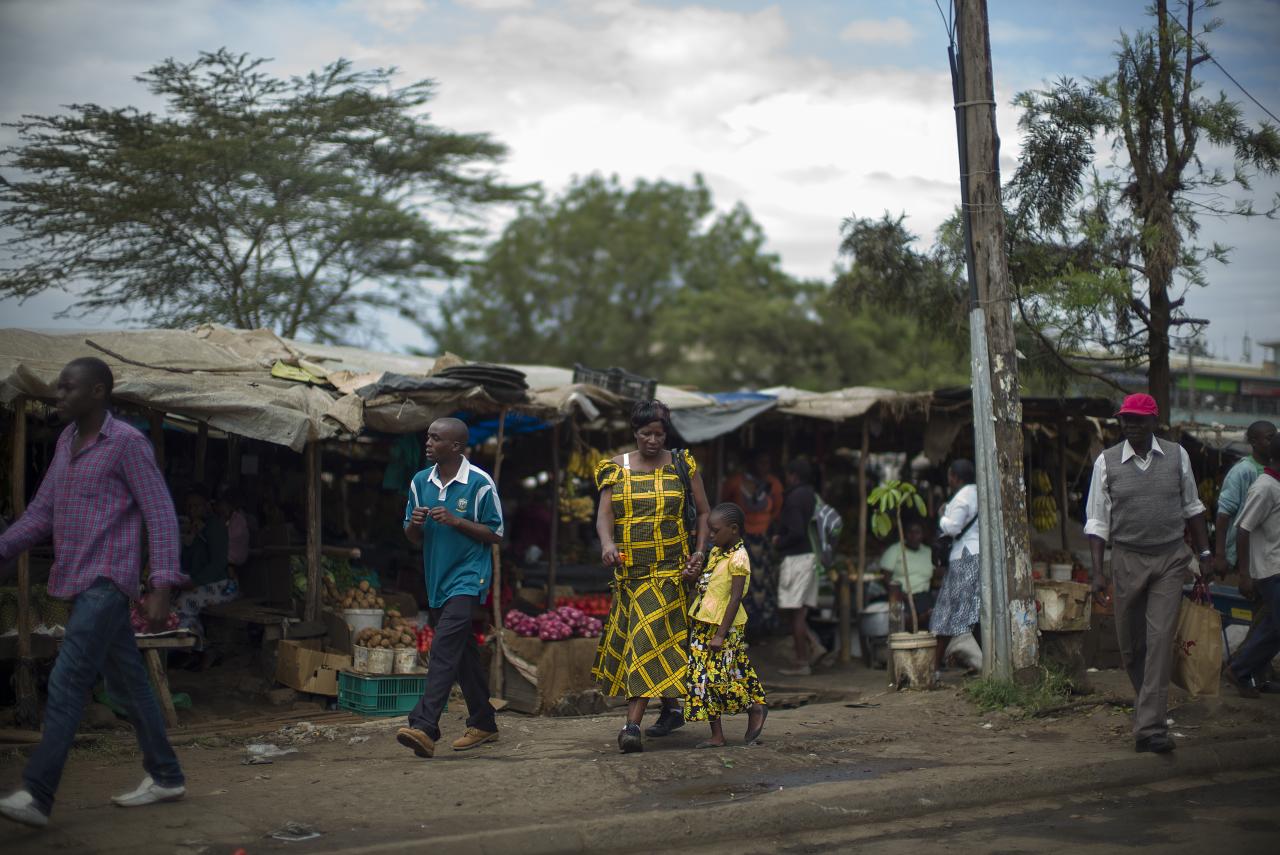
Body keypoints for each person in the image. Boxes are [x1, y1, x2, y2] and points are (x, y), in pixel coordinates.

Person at [0, 358, 188, 829]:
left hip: (107, 581)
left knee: (66, 681)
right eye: (58, 388)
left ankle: (38, 795)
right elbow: (40, 515)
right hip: (77, 579)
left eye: (68, 388)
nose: (58, 395)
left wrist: (161, 585)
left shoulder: (126, 444)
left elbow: (161, 513)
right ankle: (166, 774)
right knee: (131, 683)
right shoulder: (65, 443)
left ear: (98, 392)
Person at [1085, 393, 1212, 754]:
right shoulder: (1106, 463)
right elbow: (1097, 521)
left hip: (1170, 558)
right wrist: (1097, 572)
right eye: (1127, 419)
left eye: (1139, 420)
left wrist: (1203, 553)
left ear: (1154, 422)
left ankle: (1150, 727)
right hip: (1127, 559)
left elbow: (1192, 506)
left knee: (1159, 640)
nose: (1131, 425)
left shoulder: (1176, 456)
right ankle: (1148, 709)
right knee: (1131, 644)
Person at [594, 399, 710, 753]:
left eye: (659, 434)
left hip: (671, 573)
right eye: (646, 433)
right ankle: (672, 708)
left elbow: (704, 513)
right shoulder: (615, 468)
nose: (653, 440)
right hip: (630, 575)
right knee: (653, 643)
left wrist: (700, 553)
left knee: (645, 643)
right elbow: (605, 516)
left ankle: (631, 726)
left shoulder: (682, 464)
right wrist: (607, 544)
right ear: (635, 432)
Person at [395, 418, 504, 759]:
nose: (427, 442)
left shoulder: (480, 483)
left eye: (436, 438)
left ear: (456, 447)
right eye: (427, 436)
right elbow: (412, 536)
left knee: (443, 647)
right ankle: (484, 721)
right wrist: (414, 525)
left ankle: (425, 725)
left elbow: (497, 532)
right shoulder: (418, 482)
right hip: (437, 578)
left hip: (469, 577)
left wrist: (457, 521)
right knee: (463, 655)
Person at [684, 503, 767, 748]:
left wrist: (721, 634)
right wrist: (691, 578)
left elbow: (735, 597)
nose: (709, 535)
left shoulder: (739, 558)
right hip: (702, 623)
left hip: (725, 627)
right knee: (701, 679)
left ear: (733, 529)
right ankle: (717, 735)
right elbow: (707, 586)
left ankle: (754, 707)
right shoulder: (716, 553)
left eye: (714, 530)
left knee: (718, 680)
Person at [1226, 431, 1280, 698]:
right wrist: (1244, 574)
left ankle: (1254, 673)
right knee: (1275, 626)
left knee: (1272, 625)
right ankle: (1239, 670)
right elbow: (1243, 529)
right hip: (1270, 570)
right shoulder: (1264, 486)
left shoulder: (1276, 485)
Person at [173, 487, 238, 669]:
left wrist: (195, 581)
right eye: (189, 506)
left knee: (185, 602)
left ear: (207, 506)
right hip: (200, 585)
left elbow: (218, 564)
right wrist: (191, 538)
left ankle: (203, 649)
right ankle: (191, 651)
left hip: (222, 585)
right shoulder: (193, 529)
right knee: (175, 602)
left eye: (196, 505)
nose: (192, 510)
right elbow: (187, 562)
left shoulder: (215, 526)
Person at [720, 451, 783, 635]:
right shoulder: (736, 483)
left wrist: (764, 527)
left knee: (764, 585)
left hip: (763, 543)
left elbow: (777, 510)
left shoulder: (774, 485)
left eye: (767, 463)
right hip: (742, 540)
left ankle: (762, 628)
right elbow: (724, 507)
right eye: (760, 462)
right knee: (741, 584)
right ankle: (741, 628)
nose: (764, 467)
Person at [931, 460, 981, 681]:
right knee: (970, 610)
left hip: (965, 556)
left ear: (955, 477)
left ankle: (935, 667)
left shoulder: (962, 497)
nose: (948, 480)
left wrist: (941, 515)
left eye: (950, 476)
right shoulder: (981, 492)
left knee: (947, 611)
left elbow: (953, 527)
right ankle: (974, 660)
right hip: (978, 555)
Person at [774, 459, 821, 676]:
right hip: (809, 557)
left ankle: (802, 661)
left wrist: (778, 541)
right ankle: (814, 645)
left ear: (792, 475)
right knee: (799, 610)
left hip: (796, 558)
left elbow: (796, 532)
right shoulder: (810, 494)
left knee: (795, 612)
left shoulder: (793, 498)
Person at [1214, 421, 1277, 578]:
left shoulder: (1275, 470)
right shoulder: (1243, 471)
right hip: (1240, 557)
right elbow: (1223, 515)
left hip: (1265, 556)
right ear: (1254, 442)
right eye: (1270, 438)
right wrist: (1220, 555)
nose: (1274, 442)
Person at [877, 518, 935, 628]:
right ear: (904, 534)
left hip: (924, 597)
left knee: (932, 615)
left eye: (917, 532)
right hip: (901, 597)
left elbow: (937, 575)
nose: (913, 536)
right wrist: (901, 595)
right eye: (910, 532)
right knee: (904, 619)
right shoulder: (895, 550)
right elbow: (885, 577)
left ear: (923, 535)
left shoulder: (928, 552)